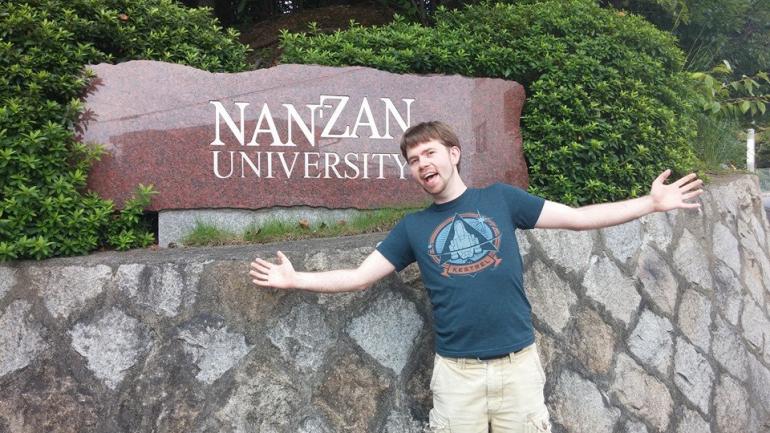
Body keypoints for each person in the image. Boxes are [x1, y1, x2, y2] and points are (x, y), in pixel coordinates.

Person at [249, 121, 703, 433]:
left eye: (429, 152)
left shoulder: (501, 200)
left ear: (453, 153)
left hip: (518, 368)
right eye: (412, 159)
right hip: (457, 376)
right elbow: (360, 276)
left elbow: (578, 218)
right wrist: (296, 279)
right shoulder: (413, 227)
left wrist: (650, 204)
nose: (422, 163)